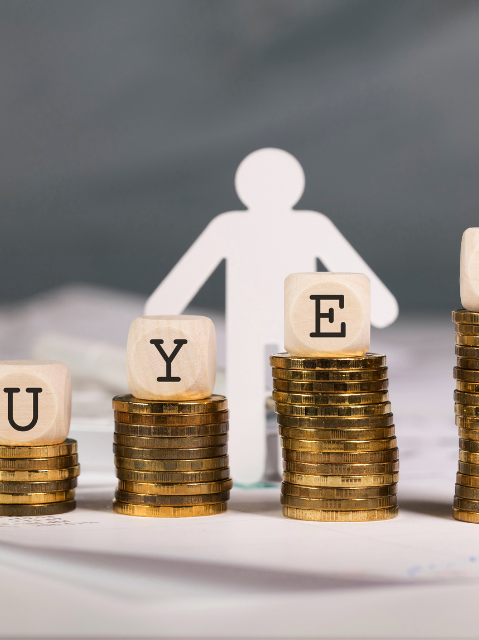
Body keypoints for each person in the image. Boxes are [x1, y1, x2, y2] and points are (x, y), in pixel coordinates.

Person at [145, 148, 398, 484]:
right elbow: (187, 275)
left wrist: (163, 307)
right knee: (254, 394)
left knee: (291, 395)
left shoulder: (265, 225)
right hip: (272, 325)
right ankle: (253, 469)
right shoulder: (255, 225)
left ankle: (282, 469)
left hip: (297, 327)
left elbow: (354, 273)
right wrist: (381, 308)